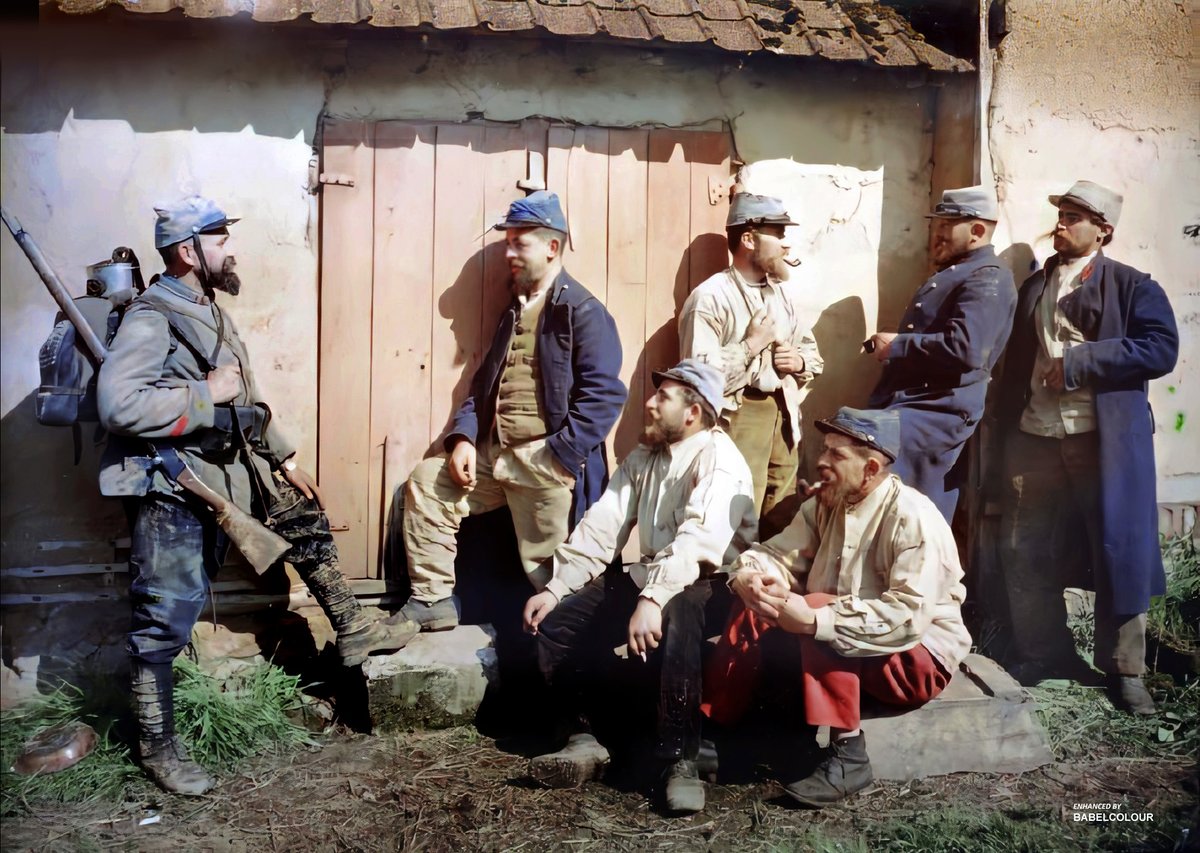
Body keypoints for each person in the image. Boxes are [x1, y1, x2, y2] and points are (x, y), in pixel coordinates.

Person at [97, 196, 416, 795]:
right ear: (189, 251)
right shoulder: (153, 316)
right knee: (164, 616)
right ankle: (157, 747)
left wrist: (283, 454)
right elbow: (118, 405)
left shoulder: (206, 308)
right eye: (220, 240)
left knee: (299, 510)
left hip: (221, 472)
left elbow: (244, 397)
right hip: (173, 484)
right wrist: (204, 392)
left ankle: (350, 625)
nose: (231, 250)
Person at [522, 359, 756, 814]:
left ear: (693, 412)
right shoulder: (645, 455)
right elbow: (603, 526)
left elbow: (698, 543)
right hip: (655, 576)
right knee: (558, 621)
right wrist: (556, 588)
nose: (648, 403)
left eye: (662, 396)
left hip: (715, 584)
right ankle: (582, 736)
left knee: (681, 610)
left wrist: (651, 598)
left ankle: (680, 760)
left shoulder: (720, 461)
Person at [716, 407, 970, 807]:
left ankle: (849, 755)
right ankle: (722, 726)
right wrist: (748, 575)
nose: (821, 461)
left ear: (870, 468)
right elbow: (775, 555)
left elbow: (906, 619)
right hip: (855, 656)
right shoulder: (824, 505)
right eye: (824, 450)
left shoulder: (912, 516)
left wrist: (818, 620)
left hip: (915, 660)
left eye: (836, 454)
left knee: (819, 611)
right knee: (758, 595)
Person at [397, 191, 626, 631]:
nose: (508, 253)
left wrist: (559, 455)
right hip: (495, 457)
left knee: (558, 582)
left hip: (547, 465)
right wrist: (463, 438)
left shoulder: (582, 311)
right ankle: (432, 600)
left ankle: (571, 663)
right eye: (508, 242)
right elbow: (482, 385)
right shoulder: (513, 312)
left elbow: (604, 396)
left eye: (519, 243)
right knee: (429, 482)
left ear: (551, 247)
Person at [995, 180, 1178, 713]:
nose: (1061, 224)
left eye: (1074, 217)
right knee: (1023, 546)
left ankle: (1125, 672)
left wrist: (1079, 363)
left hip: (1103, 443)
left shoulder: (1133, 286)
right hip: (1034, 436)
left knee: (1118, 552)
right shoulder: (1034, 285)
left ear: (1103, 231)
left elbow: (1160, 348)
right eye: (1060, 215)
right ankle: (1044, 655)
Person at [865, 186, 1016, 522]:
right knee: (892, 508)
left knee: (912, 516)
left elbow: (967, 348)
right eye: (939, 224)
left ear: (977, 231)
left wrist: (898, 346)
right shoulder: (959, 272)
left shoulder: (987, 276)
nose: (938, 233)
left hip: (938, 411)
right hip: (917, 405)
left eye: (948, 226)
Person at [678, 193, 822, 533]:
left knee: (782, 517)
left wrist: (798, 362)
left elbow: (813, 354)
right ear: (748, 238)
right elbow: (697, 382)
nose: (786, 245)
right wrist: (749, 346)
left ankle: (767, 582)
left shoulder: (782, 295)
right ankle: (728, 585)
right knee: (736, 516)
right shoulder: (710, 298)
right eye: (779, 234)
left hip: (783, 415)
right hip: (738, 416)